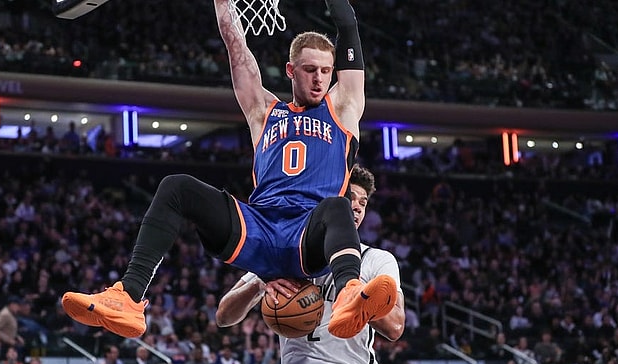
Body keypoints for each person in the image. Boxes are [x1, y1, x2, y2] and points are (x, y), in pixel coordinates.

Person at [61, 0, 396, 339]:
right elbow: (236, 48)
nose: (319, 78)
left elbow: (347, 25)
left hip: (308, 235)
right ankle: (129, 297)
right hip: (259, 228)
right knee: (176, 187)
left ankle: (349, 292)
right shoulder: (263, 111)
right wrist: (222, 3)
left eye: (325, 71)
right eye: (310, 69)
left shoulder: (343, 107)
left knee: (337, 204)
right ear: (291, 70)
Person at [216, 165, 405, 364]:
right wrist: (259, 284)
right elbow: (223, 315)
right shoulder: (285, 254)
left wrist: (361, 301)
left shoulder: (376, 260)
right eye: (349, 198)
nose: (356, 207)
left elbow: (396, 327)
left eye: (363, 203)